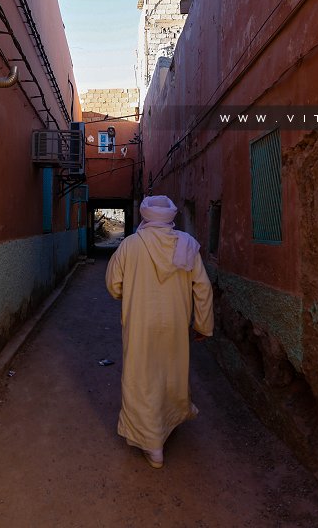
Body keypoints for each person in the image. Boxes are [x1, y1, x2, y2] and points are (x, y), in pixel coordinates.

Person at [105, 195, 213, 469]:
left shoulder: (130, 245)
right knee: (170, 372)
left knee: (142, 377)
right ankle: (166, 426)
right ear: (169, 216)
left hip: (141, 324)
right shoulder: (186, 244)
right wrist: (202, 325)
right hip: (175, 325)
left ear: (145, 215)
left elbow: (113, 284)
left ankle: (153, 445)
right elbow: (202, 288)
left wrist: (128, 295)